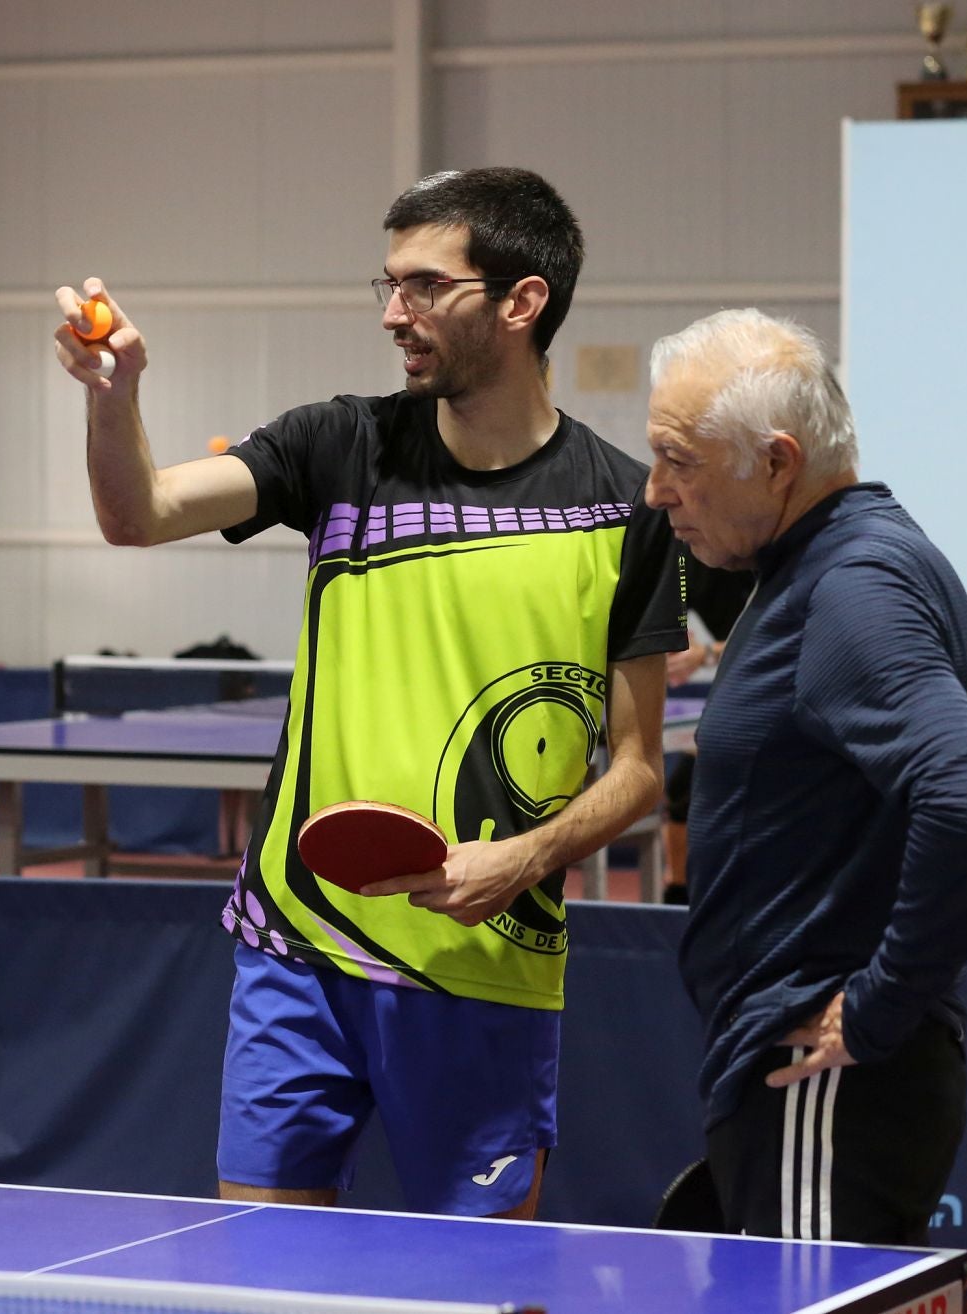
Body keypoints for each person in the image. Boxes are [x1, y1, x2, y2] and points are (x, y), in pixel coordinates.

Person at [54, 167, 686, 1218]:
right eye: (388, 284)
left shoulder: (625, 506)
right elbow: (142, 511)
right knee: (265, 1280)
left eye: (426, 286)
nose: (395, 312)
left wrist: (523, 859)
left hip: (482, 965)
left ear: (521, 302)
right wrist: (113, 399)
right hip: (297, 947)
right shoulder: (338, 446)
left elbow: (640, 771)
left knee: (481, 1288)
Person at [643, 308, 967, 1243]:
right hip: (806, 1080)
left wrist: (877, 1008)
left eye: (678, 459)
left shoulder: (853, 586)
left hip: (825, 1081)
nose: (656, 492)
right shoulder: (823, 563)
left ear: (778, 462)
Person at [659, 556, 755, 903]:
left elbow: (779, 628)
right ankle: (677, 894)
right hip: (690, 701)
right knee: (683, 788)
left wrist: (708, 654)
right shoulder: (674, 551)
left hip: (749, 688)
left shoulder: (753, 552)